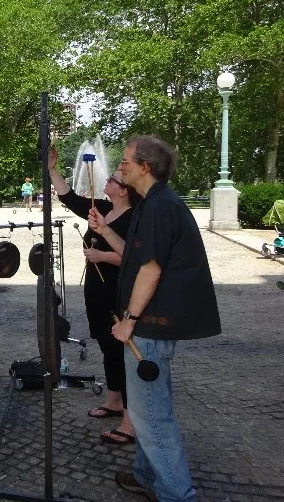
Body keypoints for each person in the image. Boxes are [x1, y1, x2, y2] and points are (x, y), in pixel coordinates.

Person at [90, 136, 221, 502]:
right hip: (148, 325)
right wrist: (104, 231)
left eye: (125, 162)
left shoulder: (162, 206)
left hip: (149, 326)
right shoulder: (152, 203)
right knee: (149, 409)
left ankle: (177, 494)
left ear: (145, 166)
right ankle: (146, 476)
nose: (119, 168)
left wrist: (128, 319)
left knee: (152, 417)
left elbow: (150, 269)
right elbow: (135, 255)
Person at [47, 146, 140, 445]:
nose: (108, 180)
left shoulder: (133, 219)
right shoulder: (100, 207)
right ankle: (114, 400)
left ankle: (130, 419)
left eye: (113, 179)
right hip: (95, 289)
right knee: (104, 342)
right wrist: (51, 169)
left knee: (120, 350)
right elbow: (69, 198)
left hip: (117, 290)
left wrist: (101, 255)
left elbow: (133, 257)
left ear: (124, 191)